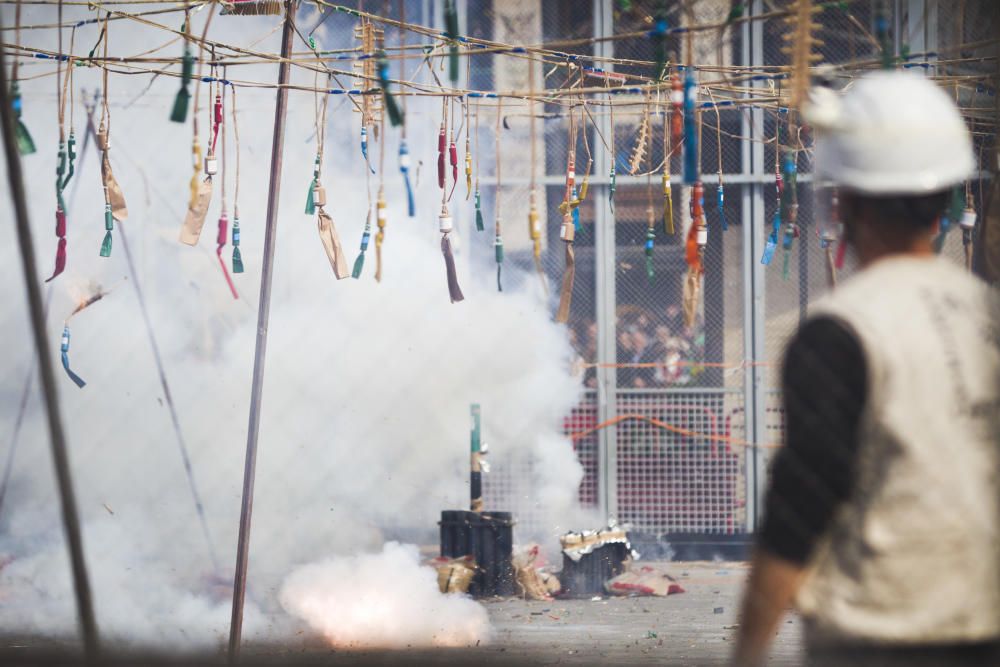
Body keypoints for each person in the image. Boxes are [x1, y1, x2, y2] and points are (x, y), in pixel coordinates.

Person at [733, 71, 1000, 667]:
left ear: (844, 200)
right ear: (946, 198)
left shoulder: (841, 330)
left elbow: (798, 514)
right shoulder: (987, 314)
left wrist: (747, 652)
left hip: (876, 638)